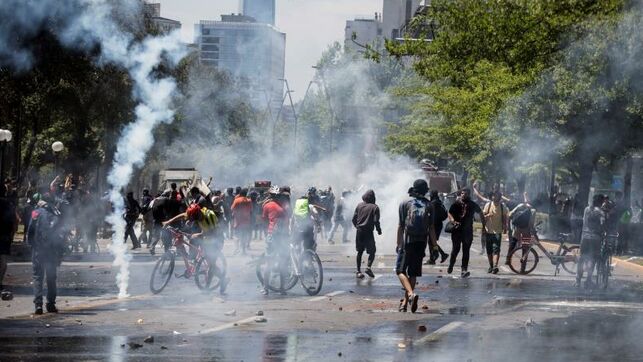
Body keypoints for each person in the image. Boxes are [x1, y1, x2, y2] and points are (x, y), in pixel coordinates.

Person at [163, 204, 229, 294]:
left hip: (217, 240)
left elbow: (214, 232)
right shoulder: (194, 213)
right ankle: (196, 262)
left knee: (211, 266)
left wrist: (198, 235)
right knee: (195, 249)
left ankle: (219, 282)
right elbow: (183, 215)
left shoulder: (210, 216)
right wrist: (169, 221)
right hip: (206, 237)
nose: (194, 221)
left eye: (194, 219)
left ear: (198, 214)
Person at [396, 179, 437, 313]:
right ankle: (405, 303)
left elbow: (401, 226)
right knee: (413, 273)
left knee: (400, 271)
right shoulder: (429, 205)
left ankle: (410, 295)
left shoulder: (405, 203)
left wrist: (398, 244)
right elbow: (431, 228)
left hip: (407, 242)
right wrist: (435, 246)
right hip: (421, 243)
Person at [26, 198, 66, 314]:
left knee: (38, 277)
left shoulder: (35, 213)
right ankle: (51, 304)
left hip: (38, 250)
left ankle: (38, 305)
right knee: (51, 278)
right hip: (51, 251)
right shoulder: (55, 213)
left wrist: (32, 245)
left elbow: (30, 232)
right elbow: (61, 233)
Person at [447, 188, 483, 277]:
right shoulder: (456, 203)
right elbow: (449, 213)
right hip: (457, 230)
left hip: (468, 231)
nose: (463, 195)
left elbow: (480, 213)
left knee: (466, 251)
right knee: (455, 249)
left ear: (469, 195)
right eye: (462, 193)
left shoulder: (472, 204)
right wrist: (452, 220)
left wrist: (484, 225)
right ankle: (451, 264)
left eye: (466, 193)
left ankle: (464, 270)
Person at [260, 186, 288, 295]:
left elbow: (264, 221)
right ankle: (282, 288)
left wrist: (266, 234)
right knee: (282, 262)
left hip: (272, 235)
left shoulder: (267, 205)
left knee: (269, 262)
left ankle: (265, 288)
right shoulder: (284, 206)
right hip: (282, 236)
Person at [576, 194, 606, 289]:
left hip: (585, 237)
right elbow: (602, 223)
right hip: (595, 239)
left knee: (581, 259)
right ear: (601, 202)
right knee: (593, 259)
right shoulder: (600, 212)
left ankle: (578, 280)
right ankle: (588, 280)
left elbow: (584, 222)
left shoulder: (587, 209)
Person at [352, 190, 382, 279]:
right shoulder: (375, 207)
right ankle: (368, 267)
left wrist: (357, 227)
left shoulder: (359, 205)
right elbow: (376, 221)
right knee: (372, 251)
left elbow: (353, 219)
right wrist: (378, 230)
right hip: (368, 232)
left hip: (359, 232)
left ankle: (358, 271)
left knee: (360, 252)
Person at [507, 193, 537, 265]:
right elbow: (531, 223)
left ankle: (508, 259)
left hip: (518, 228)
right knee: (525, 247)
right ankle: (523, 268)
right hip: (526, 230)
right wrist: (533, 231)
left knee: (513, 242)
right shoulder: (533, 210)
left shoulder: (520, 206)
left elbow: (510, 214)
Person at [482, 191, 508, 274]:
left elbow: (504, 218)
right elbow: (483, 217)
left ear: (500, 197)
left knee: (496, 249)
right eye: (494, 196)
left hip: (497, 231)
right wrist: (487, 216)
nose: (495, 197)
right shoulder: (488, 205)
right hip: (488, 231)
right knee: (489, 250)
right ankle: (491, 266)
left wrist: (505, 227)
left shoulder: (502, 207)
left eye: (497, 196)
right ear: (492, 197)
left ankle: (495, 266)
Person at [0, 184, 18, 291]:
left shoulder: (8, 204)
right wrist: (11, 235)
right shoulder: (8, 204)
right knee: (2, 261)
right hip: (4, 237)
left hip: (4, 236)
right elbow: (15, 221)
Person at [426, 190, 449, 264]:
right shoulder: (439, 202)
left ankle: (434, 257)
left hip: (435, 224)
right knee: (432, 241)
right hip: (438, 224)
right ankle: (436, 257)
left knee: (431, 241)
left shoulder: (433, 203)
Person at [231, 188, 253, 255]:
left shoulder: (236, 200)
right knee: (244, 236)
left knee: (237, 236)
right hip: (246, 222)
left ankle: (237, 249)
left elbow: (232, 208)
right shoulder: (249, 201)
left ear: (240, 194)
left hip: (238, 222)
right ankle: (243, 251)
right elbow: (251, 210)